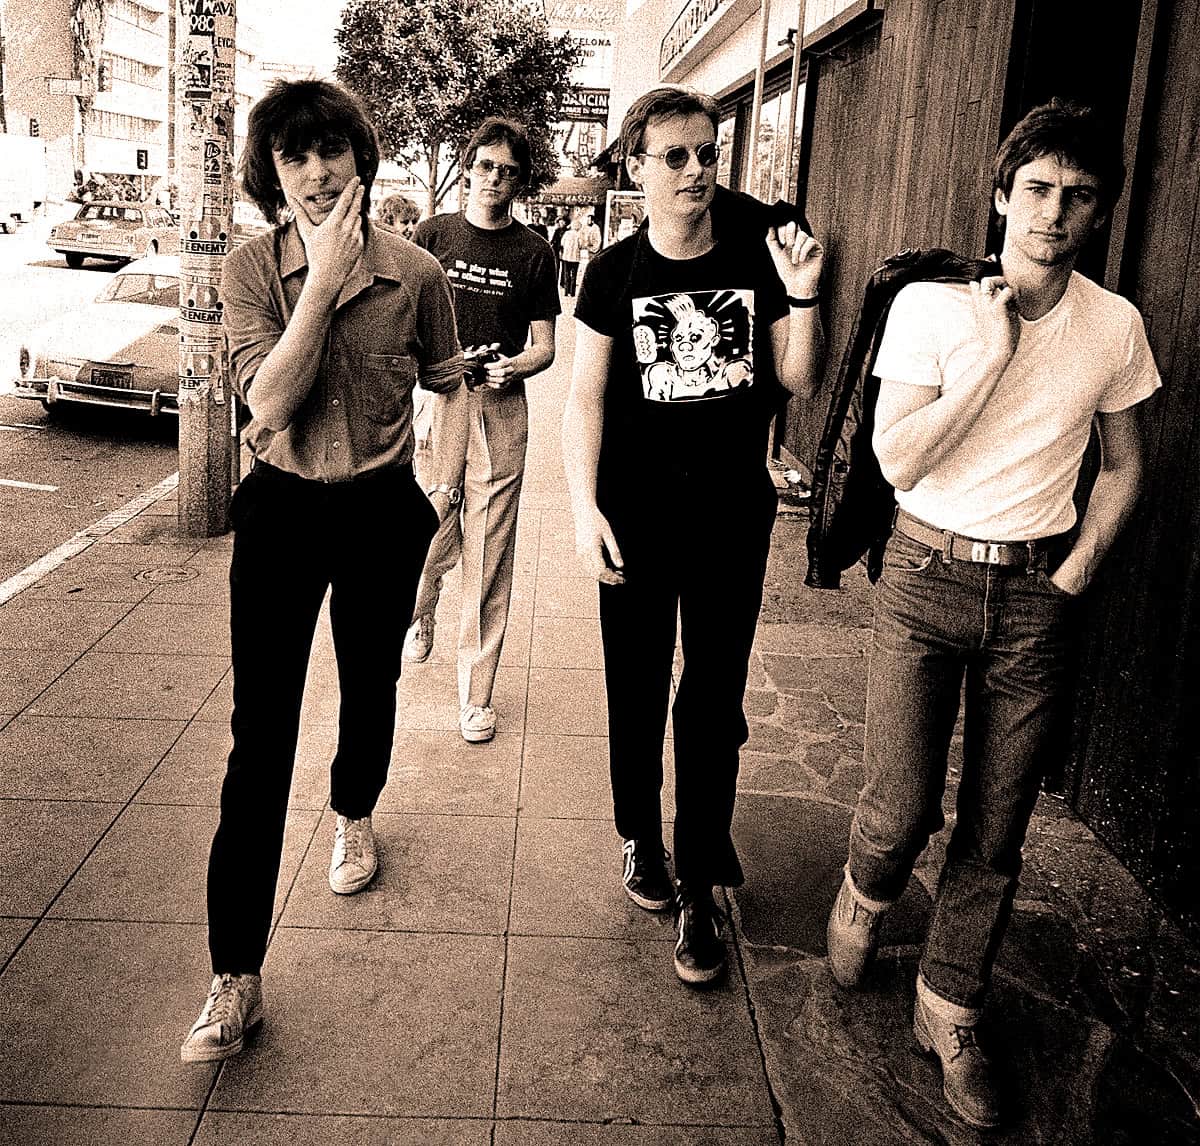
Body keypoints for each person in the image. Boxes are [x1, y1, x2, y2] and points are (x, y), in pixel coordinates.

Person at [826, 99, 1160, 1128]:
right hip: (923, 574)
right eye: (1038, 190)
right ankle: (867, 886)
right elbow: (898, 458)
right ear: (1001, 197)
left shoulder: (1114, 325)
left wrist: (1075, 574)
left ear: (1099, 212)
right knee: (900, 806)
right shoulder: (932, 308)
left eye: (1078, 196)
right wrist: (995, 354)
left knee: (998, 824)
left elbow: (1125, 466)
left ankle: (950, 1007)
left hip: (1034, 596)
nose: (1054, 213)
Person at [180, 79, 465, 1064]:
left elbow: (449, 388)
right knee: (258, 737)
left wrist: (446, 506)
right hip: (283, 509)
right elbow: (268, 403)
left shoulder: (419, 274)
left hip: (382, 508)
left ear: (359, 157)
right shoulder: (250, 270)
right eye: (293, 156)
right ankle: (235, 975)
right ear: (271, 173)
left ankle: (354, 810)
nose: (315, 172)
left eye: (330, 149)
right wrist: (324, 280)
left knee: (369, 687)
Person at [561, 85, 824, 986]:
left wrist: (804, 292)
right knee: (635, 689)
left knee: (713, 703)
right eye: (673, 155)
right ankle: (641, 835)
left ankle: (702, 881)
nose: (696, 170)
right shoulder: (612, 274)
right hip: (635, 517)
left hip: (730, 517)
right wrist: (583, 509)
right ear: (635, 168)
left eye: (707, 152)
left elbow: (799, 376)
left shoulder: (756, 254)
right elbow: (584, 401)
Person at [402, 116, 560, 744]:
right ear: (468, 167)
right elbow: (402, 323)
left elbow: (545, 345)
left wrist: (513, 365)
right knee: (425, 531)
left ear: (520, 181)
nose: (495, 178)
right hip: (436, 403)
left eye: (509, 171)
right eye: (487, 165)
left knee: (491, 554)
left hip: (500, 409)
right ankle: (422, 609)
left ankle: (476, 693)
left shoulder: (535, 252)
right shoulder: (432, 236)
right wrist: (429, 368)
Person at [559, 215, 582, 297]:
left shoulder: (567, 233)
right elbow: (581, 245)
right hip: (575, 258)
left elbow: (562, 243)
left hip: (566, 257)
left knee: (566, 274)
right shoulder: (579, 235)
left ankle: (566, 292)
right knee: (574, 276)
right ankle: (572, 293)